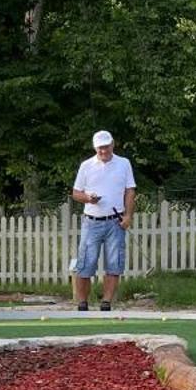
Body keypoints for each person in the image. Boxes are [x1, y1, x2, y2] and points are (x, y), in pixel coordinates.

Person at [71, 129, 136, 312]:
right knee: (85, 264)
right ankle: (82, 303)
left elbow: (130, 191)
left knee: (114, 264)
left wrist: (128, 216)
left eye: (106, 147)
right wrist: (88, 198)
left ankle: (106, 302)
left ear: (112, 145)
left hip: (116, 221)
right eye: (100, 148)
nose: (104, 151)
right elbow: (76, 193)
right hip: (91, 221)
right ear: (95, 148)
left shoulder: (124, 163)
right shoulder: (86, 166)